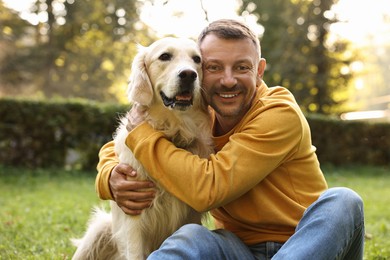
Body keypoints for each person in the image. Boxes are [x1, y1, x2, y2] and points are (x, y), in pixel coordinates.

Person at [96, 19, 365, 259]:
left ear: (259, 71)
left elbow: (209, 188)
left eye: (241, 67)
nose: (228, 80)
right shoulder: (201, 114)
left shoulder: (279, 112)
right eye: (214, 67)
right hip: (238, 250)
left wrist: (141, 134)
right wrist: (109, 176)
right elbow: (119, 143)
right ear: (203, 74)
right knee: (191, 236)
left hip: (307, 244)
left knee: (343, 202)